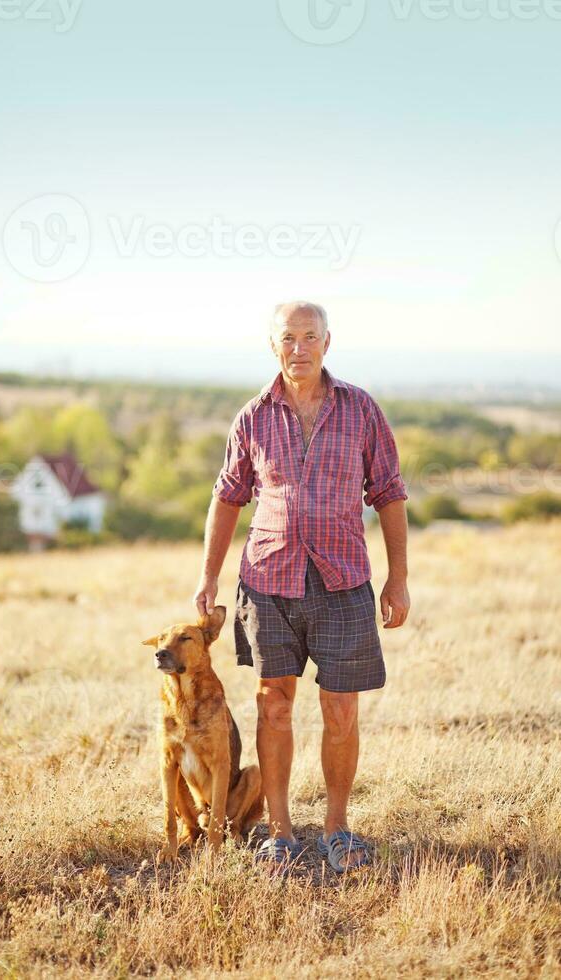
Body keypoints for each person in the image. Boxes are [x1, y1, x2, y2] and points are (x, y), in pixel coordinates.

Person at [193, 300, 410, 874]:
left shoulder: (361, 410)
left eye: (309, 336)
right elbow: (228, 495)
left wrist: (400, 579)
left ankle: (338, 828)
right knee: (274, 706)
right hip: (269, 580)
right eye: (287, 337)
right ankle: (281, 832)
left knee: (341, 711)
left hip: (343, 580)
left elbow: (388, 492)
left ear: (327, 342)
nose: (298, 347)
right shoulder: (253, 416)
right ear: (273, 346)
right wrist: (208, 577)